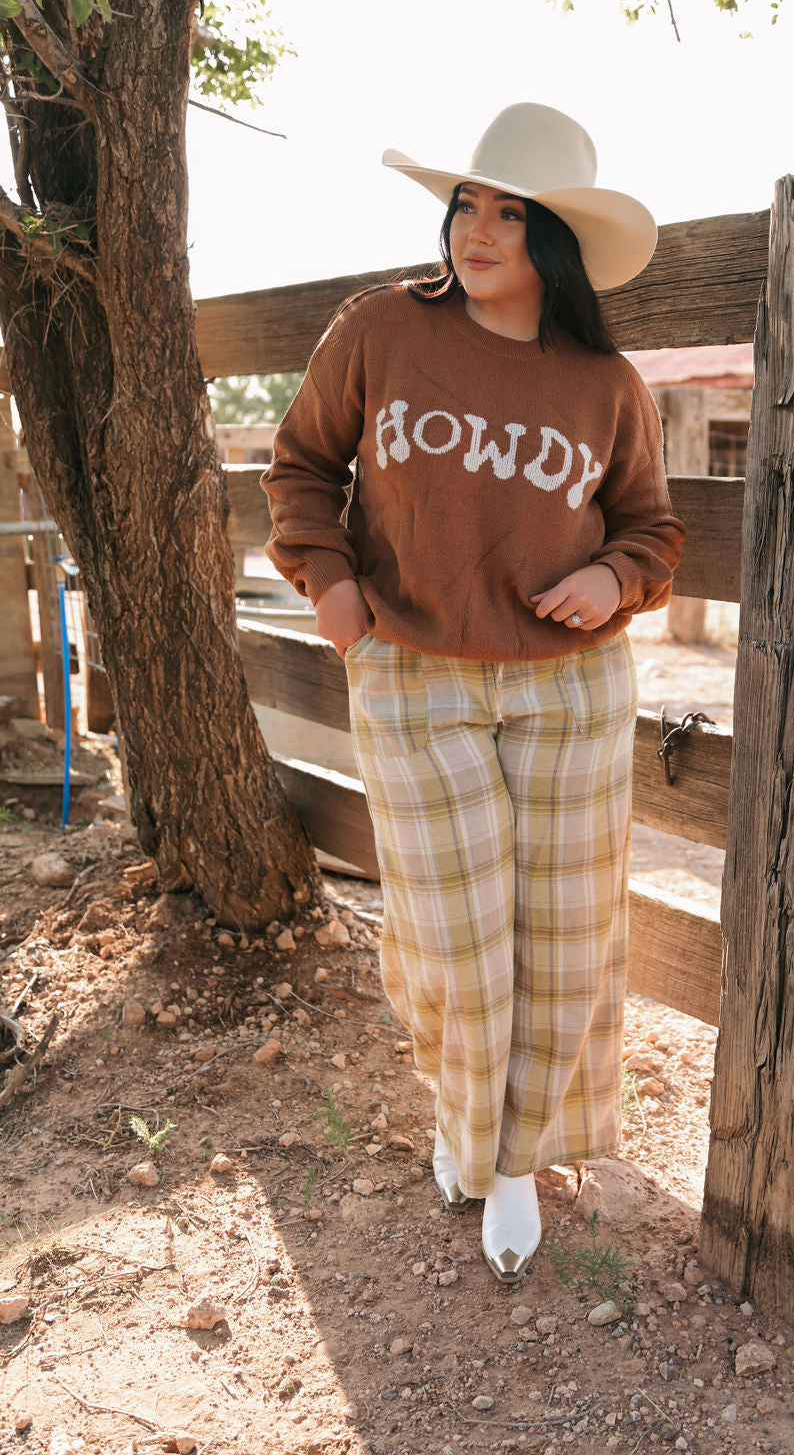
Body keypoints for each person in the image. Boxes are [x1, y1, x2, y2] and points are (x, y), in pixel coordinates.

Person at [261, 102, 685, 1283]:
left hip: (571, 691)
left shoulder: (606, 382)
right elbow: (301, 465)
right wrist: (331, 587)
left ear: (556, 240)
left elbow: (650, 529)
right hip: (414, 676)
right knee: (453, 944)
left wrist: (611, 579)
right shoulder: (381, 328)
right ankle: (472, 1128)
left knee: (563, 941)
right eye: (467, 204)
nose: (477, 230)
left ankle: (512, 1163)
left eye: (510, 213)